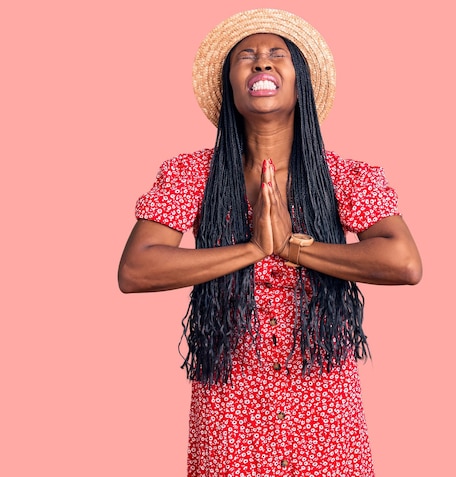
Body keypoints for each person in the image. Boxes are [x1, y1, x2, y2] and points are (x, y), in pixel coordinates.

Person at [118, 8, 422, 477]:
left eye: (276, 55)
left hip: (324, 410)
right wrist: (253, 249)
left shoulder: (346, 176)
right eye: (247, 57)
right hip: (228, 408)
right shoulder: (190, 174)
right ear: (229, 87)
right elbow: (136, 270)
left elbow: (404, 262)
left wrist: (292, 248)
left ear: (299, 80)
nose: (262, 64)